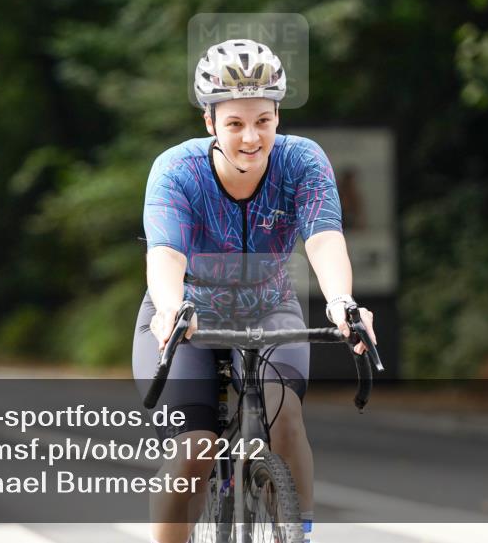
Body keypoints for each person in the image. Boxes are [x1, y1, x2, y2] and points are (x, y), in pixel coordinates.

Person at [132, 38, 377, 543]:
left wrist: (341, 302)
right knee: (194, 450)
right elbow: (166, 254)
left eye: (263, 121)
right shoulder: (177, 170)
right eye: (235, 124)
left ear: (277, 116)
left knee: (285, 419)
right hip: (188, 312)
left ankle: (294, 532)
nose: (251, 137)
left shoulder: (302, 161)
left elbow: (324, 239)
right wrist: (172, 308)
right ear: (209, 122)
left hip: (269, 306)